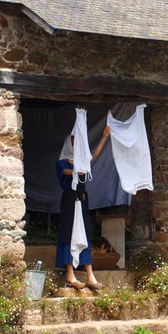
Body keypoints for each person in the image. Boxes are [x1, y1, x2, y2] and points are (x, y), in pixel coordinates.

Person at [55, 124, 110, 291]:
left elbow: (93, 155)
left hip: (82, 201)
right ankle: (70, 274)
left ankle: (90, 275)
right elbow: (69, 173)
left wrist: (104, 136)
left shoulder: (81, 162)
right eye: (74, 143)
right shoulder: (62, 163)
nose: (76, 146)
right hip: (70, 201)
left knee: (84, 236)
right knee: (68, 236)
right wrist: (81, 168)